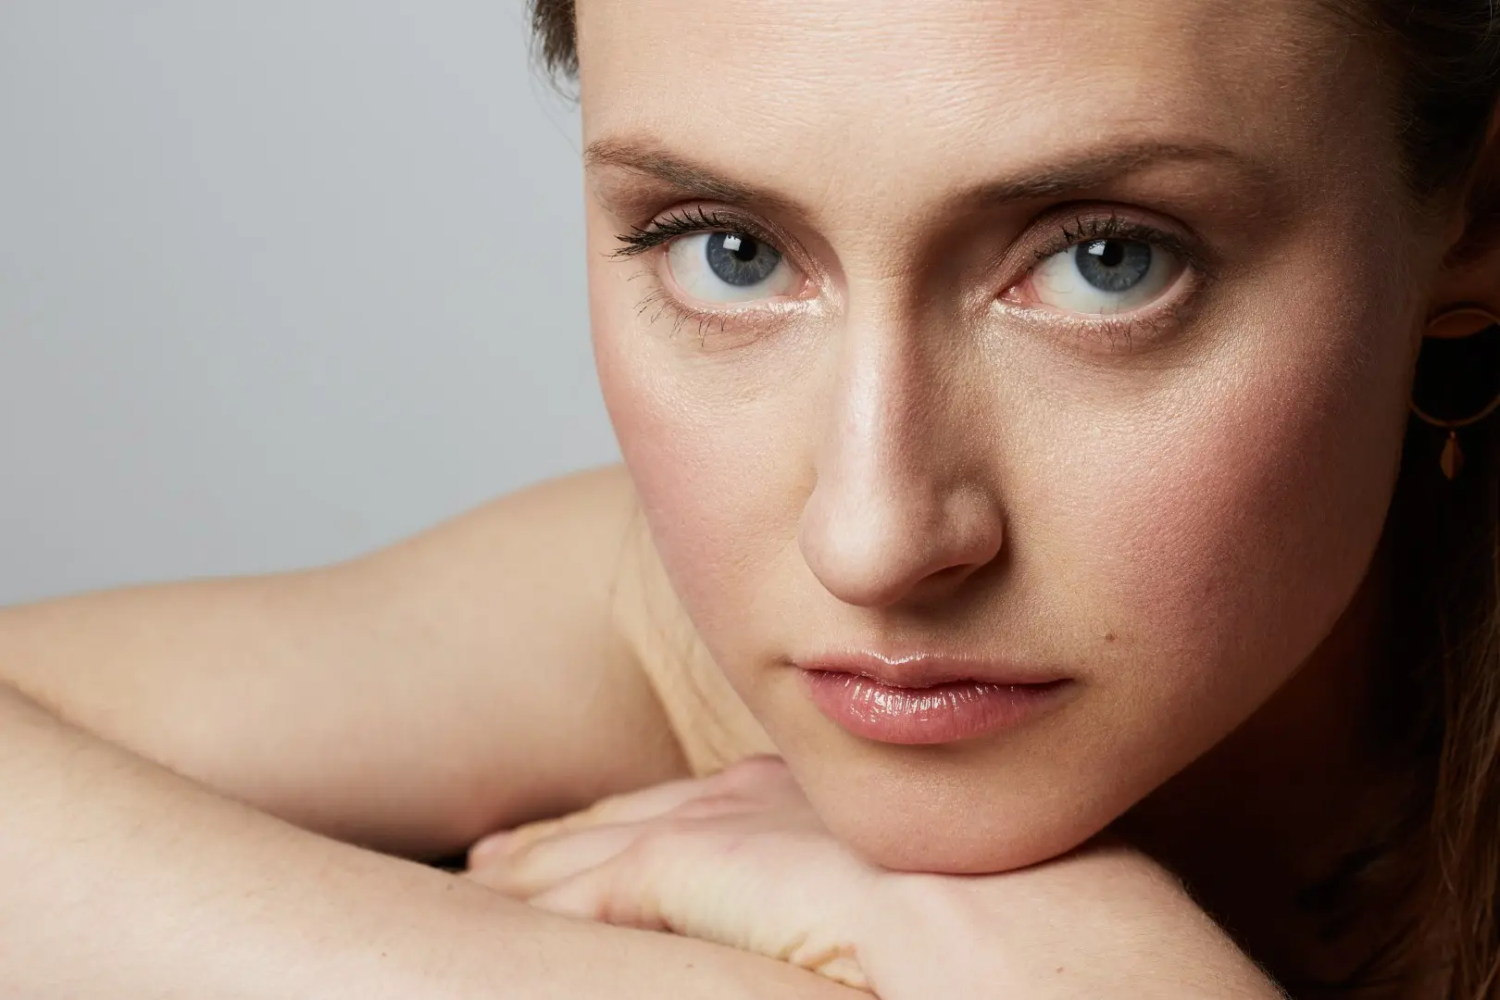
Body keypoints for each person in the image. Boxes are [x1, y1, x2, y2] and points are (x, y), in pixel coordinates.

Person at [2, 0, 1498, 996]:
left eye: (1111, 261)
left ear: (1476, 221)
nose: (872, 541)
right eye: (730, 250)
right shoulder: (644, 627)